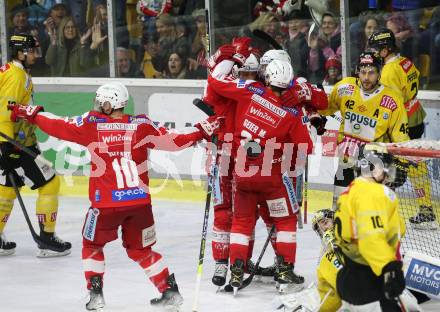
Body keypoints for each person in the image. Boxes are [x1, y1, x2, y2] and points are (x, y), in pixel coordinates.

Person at [8, 82, 221, 310]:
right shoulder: (142, 124)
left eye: (101, 102)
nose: (98, 106)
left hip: (106, 205)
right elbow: (176, 139)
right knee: (140, 249)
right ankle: (169, 291)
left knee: (91, 244)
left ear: (109, 104)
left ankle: (96, 294)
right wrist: (202, 130)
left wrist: (28, 112)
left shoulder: (91, 124)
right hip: (140, 205)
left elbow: (56, 124)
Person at [208, 59, 313, 293]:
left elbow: (215, 82)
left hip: (242, 175)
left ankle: (236, 268)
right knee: (284, 220)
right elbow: (306, 147)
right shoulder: (290, 114)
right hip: (272, 179)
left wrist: (226, 60)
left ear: (266, 78)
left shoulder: (251, 90)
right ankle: (284, 270)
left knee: (241, 221)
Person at [0, 34, 71, 257]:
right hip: (14, 143)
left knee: (7, 189)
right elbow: (5, 110)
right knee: (50, 182)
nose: (35, 55)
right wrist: (5, 146)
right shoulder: (16, 75)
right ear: (20, 52)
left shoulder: (13, 71)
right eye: (31, 51)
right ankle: (46, 239)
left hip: (14, 142)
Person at [319, 52, 410, 207]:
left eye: (371, 72)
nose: (366, 77)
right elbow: (326, 107)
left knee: (369, 211)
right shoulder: (344, 87)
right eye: (363, 72)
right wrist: (315, 104)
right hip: (346, 160)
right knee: (339, 209)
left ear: (379, 73)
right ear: (358, 71)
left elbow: (400, 135)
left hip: (373, 163)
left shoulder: (392, 100)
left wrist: (403, 163)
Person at [368, 29, 437, 230]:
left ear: (386, 49)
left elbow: (392, 103)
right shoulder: (405, 61)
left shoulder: (388, 72)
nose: (374, 52)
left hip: (403, 123)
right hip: (416, 114)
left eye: (376, 48)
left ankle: (385, 214)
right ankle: (425, 209)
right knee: (417, 165)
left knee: (393, 167)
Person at [334, 144, 406, 311]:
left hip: (352, 277)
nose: (388, 172)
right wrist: (390, 267)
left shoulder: (352, 190)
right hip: (371, 280)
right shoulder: (373, 193)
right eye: (385, 166)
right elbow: (371, 237)